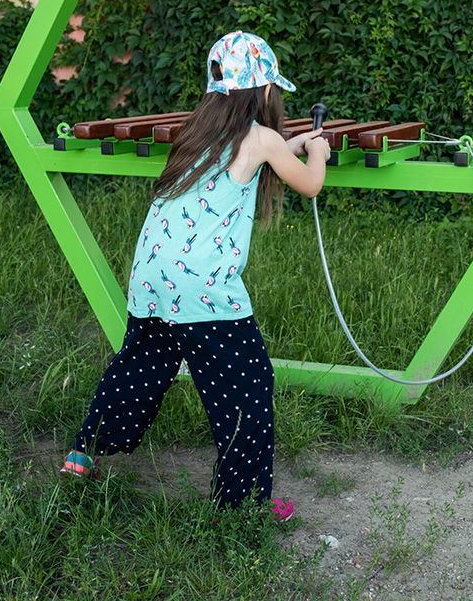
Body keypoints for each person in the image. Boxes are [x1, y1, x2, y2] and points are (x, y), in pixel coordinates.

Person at [61, 30, 331, 521]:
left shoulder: (196, 133)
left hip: (151, 278)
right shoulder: (262, 139)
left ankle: (83, 452)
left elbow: (254, 156)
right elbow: (310, 184)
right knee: (248, 387)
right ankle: (243, 505)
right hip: (202, 290)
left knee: (139, 368)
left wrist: (287, 144)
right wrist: (317, 154)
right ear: (266, 91)